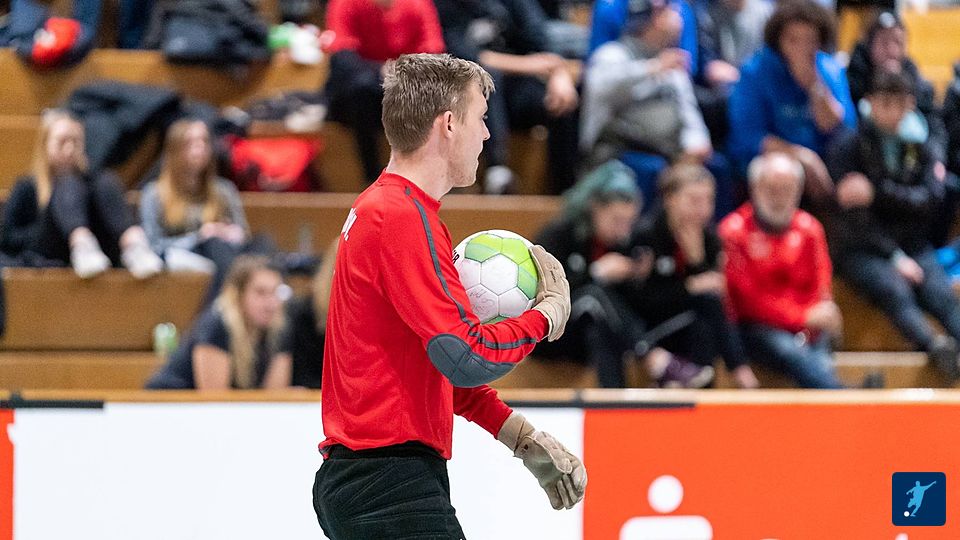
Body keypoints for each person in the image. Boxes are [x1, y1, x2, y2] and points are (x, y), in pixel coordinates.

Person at [313, 53, 583, 539]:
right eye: (481, 118)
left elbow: (435, 365)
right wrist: (545, 317)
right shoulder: (401, 217)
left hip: (376, 480)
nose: (488, 134)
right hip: (387, 482)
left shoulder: (388, 208)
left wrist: (520, 437)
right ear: (449, 124)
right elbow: (465, 355)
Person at [826, 71, 960, 380]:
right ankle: (934, 346)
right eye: (885, 103)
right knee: (894, 289)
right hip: (862, 248)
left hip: (913, 244)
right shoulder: (849, 146)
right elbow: (855, 219)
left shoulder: (921, 144)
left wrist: (877, 192)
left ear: (910, 104)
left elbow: (929, 200)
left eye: (900, 104)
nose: (893, 112)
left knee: (941, 294)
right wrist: (894, 256)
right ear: (870, 103)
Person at [581, 0, 735, 216]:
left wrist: (697, 144)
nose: (678, 16)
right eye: (668, 11)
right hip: (615, 151)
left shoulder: (672, 61)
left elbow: (688, 111)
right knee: (651, 169)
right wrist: (651, 68)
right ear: (649, 19)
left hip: (670, 151)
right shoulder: (612, 54)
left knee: (717, 167)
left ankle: (714, 235)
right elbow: (601, 87)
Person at [719, 153, 844, 388]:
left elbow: (821, 283)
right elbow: (748, 299)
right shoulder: (733, 232)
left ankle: (838, 396)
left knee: (821, 345)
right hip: (758, 326)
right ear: (754, 188)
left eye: (787, 189)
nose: (779, 197)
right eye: (772, 189)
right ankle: (846, 397)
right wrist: (801, 316)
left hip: (808, 325)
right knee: (789, 350)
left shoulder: (810, 229)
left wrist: (817, 314)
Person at [631, 163, 759, 388]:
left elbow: (715, 292)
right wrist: (690, 286)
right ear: (670, 199)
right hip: (647, 333)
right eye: (694, 200)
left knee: (704, 327)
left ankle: (698, 392)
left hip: (690, 325)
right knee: (707, 304)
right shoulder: (646, 235)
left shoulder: (709, 238)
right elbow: (641, 301)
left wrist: (697, 262)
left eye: (708, 201)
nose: (702, 209)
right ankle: (739, 370)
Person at [434, 0, 580, 194]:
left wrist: (559, 75)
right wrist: (530, 65)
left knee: (563, 99)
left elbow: (543, 45)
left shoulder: (514, 3)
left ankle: (566, 189)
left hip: (516, 91)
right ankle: (497, 171)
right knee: (486, 78)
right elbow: (459, 57)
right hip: (462, 92)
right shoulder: (444, 6)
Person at [0, 109, 162, 279]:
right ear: (45, 144)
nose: (70, 149)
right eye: (62, 142)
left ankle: (134, 245)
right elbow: (9, 239)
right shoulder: (27, 187)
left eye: (76, 142)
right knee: (67, 182)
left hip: (99, 256)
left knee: (105, 180)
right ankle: (81, 243)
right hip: (48, 252)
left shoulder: (95, 184)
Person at [727, 0, 856, 203]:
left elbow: (842, 130)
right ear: (778, 40)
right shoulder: (755, 72)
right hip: (770, 162)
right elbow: (748, 136)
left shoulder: (829, 70)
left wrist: (815, 87)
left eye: (810, 40)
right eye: (793, 40)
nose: (802, 47)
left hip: (824, 165)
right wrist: (801, 157)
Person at [140, 119, 272, 304]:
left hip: (225, 252)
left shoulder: (224, 190)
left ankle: (273, 297)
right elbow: (154, 246)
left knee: (263, 242)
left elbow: (243, 233)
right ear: (175, 149)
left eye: (204, 141)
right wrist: (199, 237)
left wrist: (231, 232)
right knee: (214, 243)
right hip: (183, 254)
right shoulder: (155, 194)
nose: (200, 149)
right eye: (191, 143)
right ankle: (230, 303)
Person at [323, 0, 446, 184]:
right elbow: (342, 57)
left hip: (406, 92)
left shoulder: (418, 5)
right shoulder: (346, 3)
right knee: (361, 88)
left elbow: (433, 53)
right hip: (359, 100)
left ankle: (427, 177)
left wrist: (400, 73)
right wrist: (382, 71)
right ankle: (371, 177)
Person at [145, 255, 292, 390]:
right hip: (168, 403)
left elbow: (275, 397)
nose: (270, 303)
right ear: (238, 294)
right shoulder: (217, 325)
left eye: (275, 292)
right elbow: (215, 399)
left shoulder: (278, 328)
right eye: (260, 292)